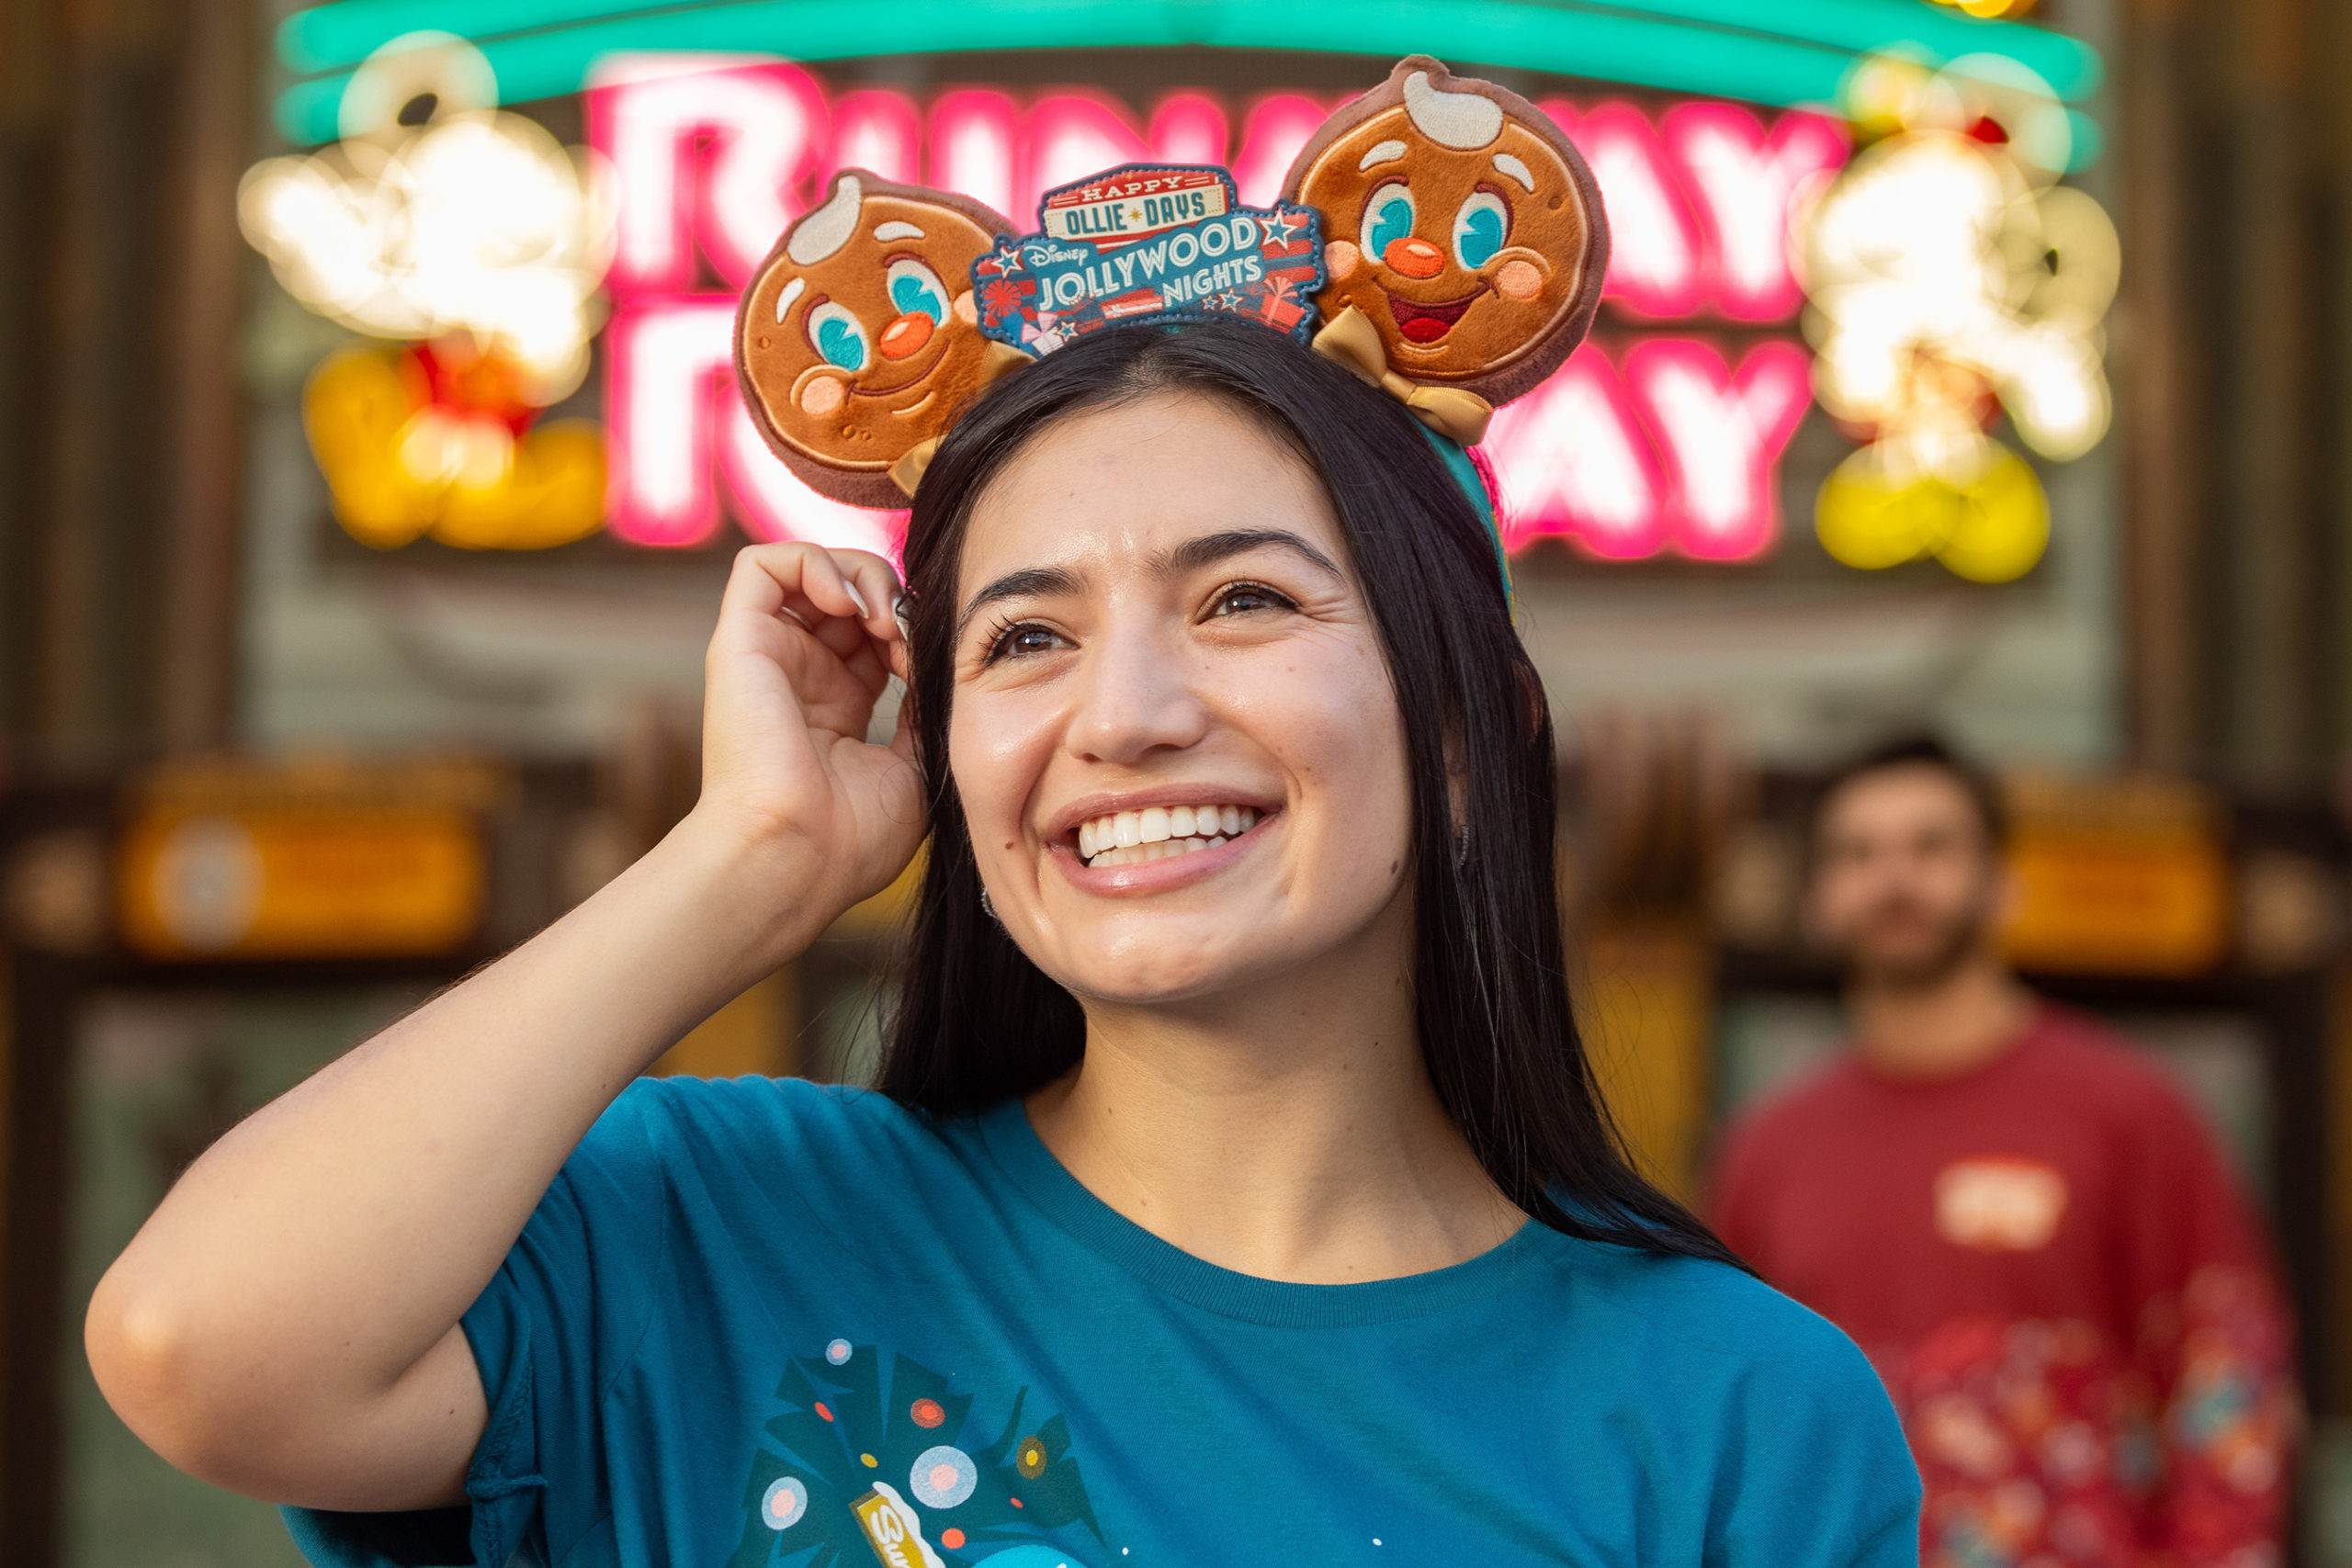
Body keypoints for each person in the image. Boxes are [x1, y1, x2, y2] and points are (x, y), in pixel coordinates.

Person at [84, 321, 1918, 1566]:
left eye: (1241, 598)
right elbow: (202, 1346)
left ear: (1462, 734)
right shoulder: (712, 1223)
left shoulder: (1731, 1414)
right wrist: (745, 859)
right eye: (1024, 638)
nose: (1119, 712)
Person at [1712, 735, 2296, 1568]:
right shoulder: (1766, 1147)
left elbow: (2230, 1389)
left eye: (1932, 845)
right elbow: (1735, 1418)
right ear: (1819, 899)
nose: (1895, 877)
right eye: (1858, 852)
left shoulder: (2129, 1109)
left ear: (2003, 887)